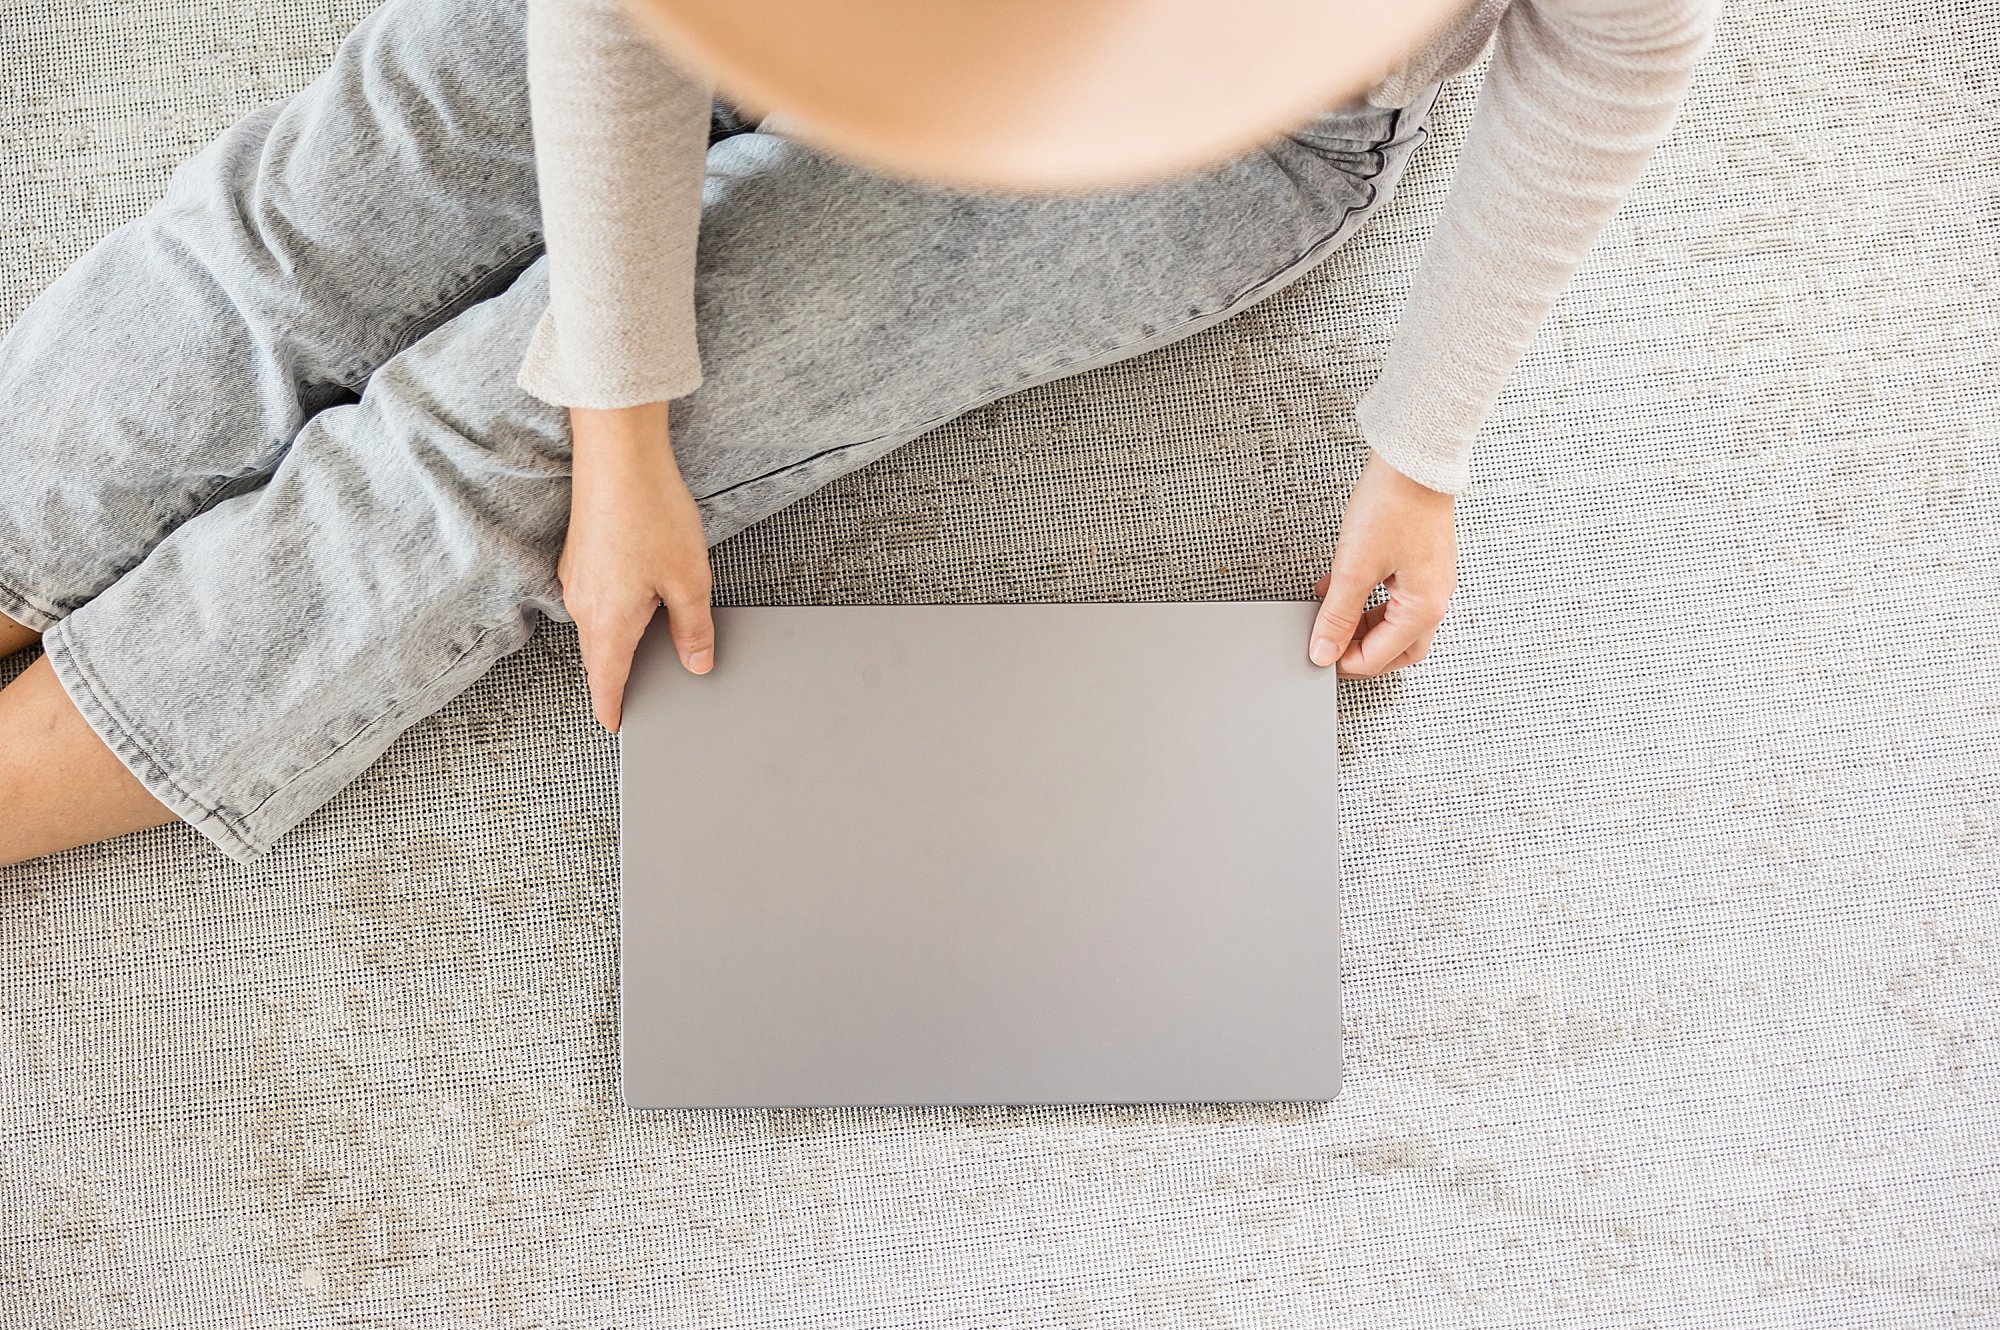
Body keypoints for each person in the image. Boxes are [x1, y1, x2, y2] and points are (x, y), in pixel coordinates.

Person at [0, 0, 1721, 868]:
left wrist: (1425, 453)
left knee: (478, 446)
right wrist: (619, 418)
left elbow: (1614, 47)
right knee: (307, 230)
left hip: (1243, 127)